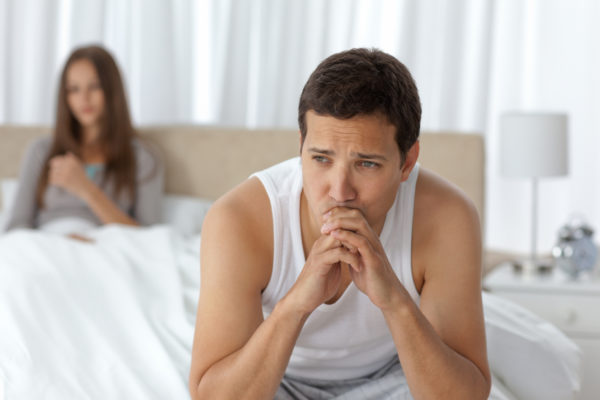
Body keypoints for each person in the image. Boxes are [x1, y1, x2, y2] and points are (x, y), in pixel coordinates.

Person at [189, 48, 491, 399]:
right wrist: (297, 302)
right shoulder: (238, 220)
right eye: (320, 158)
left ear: (407, 162)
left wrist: (393, 299)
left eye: (367, 164)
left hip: (397, 377)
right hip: (275, 377)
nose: (339, 191)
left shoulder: (448, 217)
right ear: (301, 146)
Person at [5, 45, 163, 236]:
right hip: (47, 247)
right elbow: (16, 228)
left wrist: (86, 189)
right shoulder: (41, 150)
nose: (84, 99)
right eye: (74, 89)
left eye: (95, 86)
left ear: (112, 90)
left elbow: (150, 240)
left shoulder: (143, 158)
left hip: (106, 249)